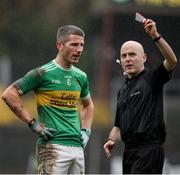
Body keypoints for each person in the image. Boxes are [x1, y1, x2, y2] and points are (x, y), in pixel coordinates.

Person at [1, 25, 94, 174]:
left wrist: (86, 132)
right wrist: (32, 123)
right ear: (60, 45)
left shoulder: (81, 76)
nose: (79, 49)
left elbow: (88, 105)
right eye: (74, 44)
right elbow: (9, 94)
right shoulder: (42, 73)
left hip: (77, 147)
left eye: (82, 45)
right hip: (52, 147)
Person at [104, 18, 177, 174]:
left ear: (144, 58)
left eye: (132, 55)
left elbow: (172, 61)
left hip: (149, 150)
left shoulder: (152, 78)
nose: (128, 59)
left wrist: (156, 36)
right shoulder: (122, 89)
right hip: (129, 152)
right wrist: (111, 140)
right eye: (124, 56)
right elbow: (117, 126)